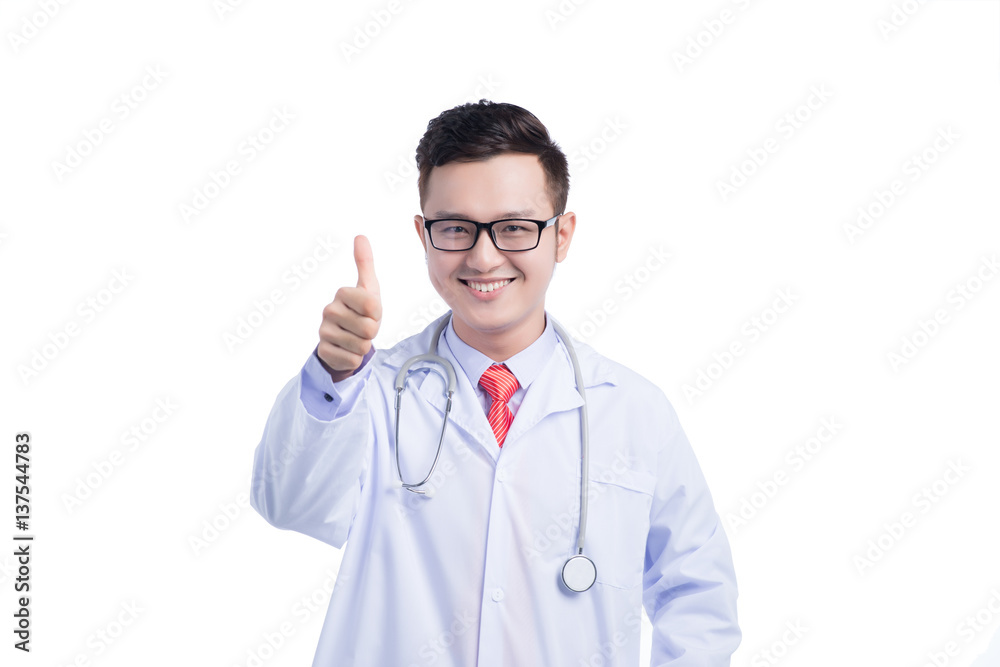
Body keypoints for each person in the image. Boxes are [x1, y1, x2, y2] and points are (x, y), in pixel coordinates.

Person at [249, 100, 741, 666]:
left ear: (562, 235)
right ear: (424, 235)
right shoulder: (372, 391)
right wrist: (334, 373)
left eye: (513, 227)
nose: (484, 258)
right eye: (456, 228)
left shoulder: (634, 410)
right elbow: (287, 504)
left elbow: (697, 592)